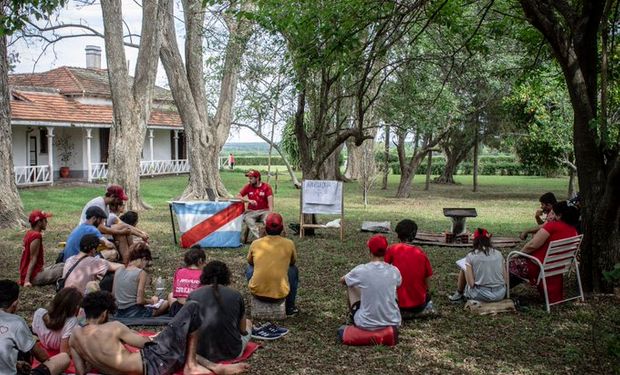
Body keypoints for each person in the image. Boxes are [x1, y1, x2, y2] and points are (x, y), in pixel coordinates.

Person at [69, 290, 248, 375]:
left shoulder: (75, 337)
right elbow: (147, 344)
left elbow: (81, 371)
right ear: (104, 313)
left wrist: (98, 359)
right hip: (153, 365)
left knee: (176, 345)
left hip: (148, 366)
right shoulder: (113, 326)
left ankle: (213, 367)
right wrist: (167, 334)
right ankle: (192, 366)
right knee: (192, 307)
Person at [509, 201, 579, 303]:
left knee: (508, 264)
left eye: (554, 213)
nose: (551, 216)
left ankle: (497, 291)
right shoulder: (574, 231)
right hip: (556, 267)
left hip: (538, 266)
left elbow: (532, 245)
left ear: (559, 215)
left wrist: (518, 254)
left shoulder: (552, 226)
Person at [0, 279, 70, 375]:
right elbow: (41, 356)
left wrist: (15, 364)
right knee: (63, 358)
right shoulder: (16, 322)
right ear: (15, 304)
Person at [188, 261, 252, 363]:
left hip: (197, 352)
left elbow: (187, 327)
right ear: (227, 276)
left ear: (204, 275)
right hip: (231, 352)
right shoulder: (236, 295)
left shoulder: (193, 295)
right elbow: (243, 329)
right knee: (248, 322)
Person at [340, 234, 402, 330]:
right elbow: (398, 284)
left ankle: (351, 317)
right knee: (393, 287)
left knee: (350, 285)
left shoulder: (361, 270)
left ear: (370, 251)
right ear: (385, 251)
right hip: (393, 322)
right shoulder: (394, 271)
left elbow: (343, 280)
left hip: (366, 323)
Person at [246, 212, 299, 316]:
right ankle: (290, 307)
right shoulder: (289, 243)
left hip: (257, 293)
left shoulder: (256, 243)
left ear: (265, 228)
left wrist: (260, 238)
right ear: (282, 228)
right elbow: (292, 262)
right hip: (280, 294)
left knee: (250, 268)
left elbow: (250, 261)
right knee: (293, 269)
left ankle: (258, 287)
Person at [384, 220, 434, 316]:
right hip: (419, 304)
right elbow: (428, 280)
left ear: (397, 234)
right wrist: (428, 292)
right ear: (414, 235)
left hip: (396, 304)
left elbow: (382, 269)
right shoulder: (420, 253)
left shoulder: (392, 249)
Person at [448, 228, 507, 303]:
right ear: (488, 239)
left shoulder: (471, 256)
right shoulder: (499, 254)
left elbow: (471, 284)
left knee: (464, 267)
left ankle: (458, 294)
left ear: (475, 240)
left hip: (480, 295)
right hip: (500, 294)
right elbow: (505, 280)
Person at [112, 242, 169, 318]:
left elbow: (113, 295)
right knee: (165, 303)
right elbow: (140, 301)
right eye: (146, 263)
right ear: (144, 259)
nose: (145, 266)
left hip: (119, 312)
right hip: (134, 312)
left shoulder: (118, 270)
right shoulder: (141, 273)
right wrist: (152, 301)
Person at [19, 210, 63, 287]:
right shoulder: (36, 236)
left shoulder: (29, 233)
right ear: (39, 222)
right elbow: (33, 258)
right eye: (45, 220)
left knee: (64, 265)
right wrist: (27, 281)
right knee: (66, 269)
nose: (46, 222)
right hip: (33, 277)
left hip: (35, 271)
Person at [31, 287, 82, 354]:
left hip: (43, 348)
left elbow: (34, 331)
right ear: (76, 307)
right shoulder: (71, 321)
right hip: (59, 357)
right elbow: (64, 353)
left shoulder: (39, 313)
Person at [236, 169, 273, 242]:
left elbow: (270, 203)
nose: (249, 180)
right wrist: (249, 201)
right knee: (247, 219)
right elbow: (237, 196)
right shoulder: (248, 186)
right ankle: (261, 238)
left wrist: (271, 214)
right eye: (248, 178)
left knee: (267, 220)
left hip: (264, 211)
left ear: (257, 178)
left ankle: (271, 238)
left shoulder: (267, 187)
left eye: (251, 178)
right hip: (251, 212)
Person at [168, 247, 207, 317]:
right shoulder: (204, 274)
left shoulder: (179, 271)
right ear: (200, 261)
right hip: (197, 312)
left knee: (171, 295)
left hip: (178, 311)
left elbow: (176, 294)